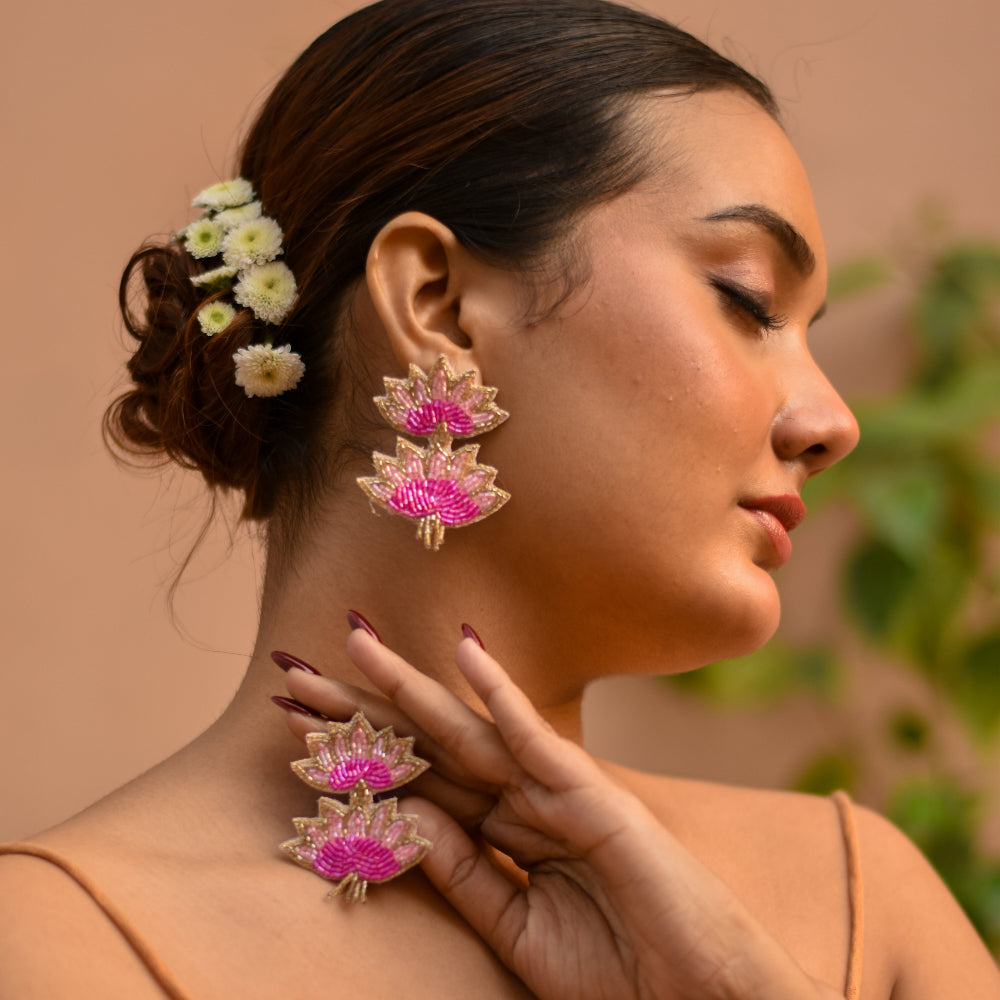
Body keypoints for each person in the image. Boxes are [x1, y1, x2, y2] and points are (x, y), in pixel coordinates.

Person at [1, 0, 996, 996]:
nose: (832, 421)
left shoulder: (860, 898)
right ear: (437, 306)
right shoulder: (55, 950)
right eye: (746, 299)